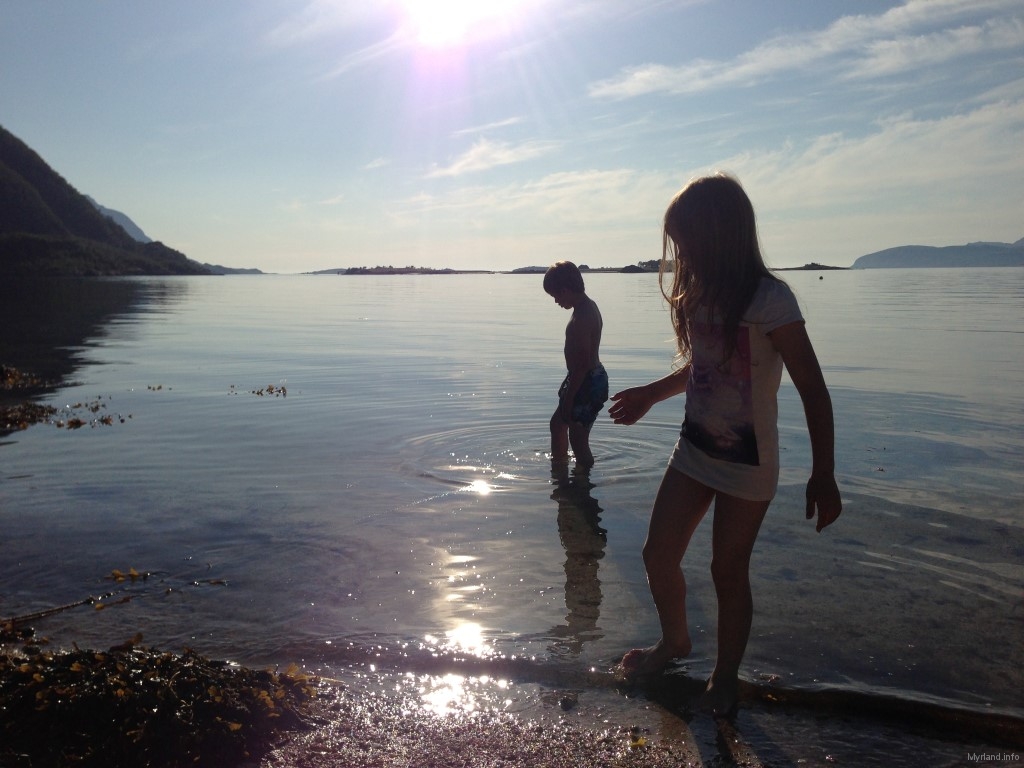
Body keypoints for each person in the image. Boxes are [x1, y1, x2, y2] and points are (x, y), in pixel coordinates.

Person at [608, 173, 841, 716]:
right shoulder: (698, 294)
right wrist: (651, 394)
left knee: (727, 571)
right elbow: (704, 366)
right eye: (676, 243)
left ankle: (725, 675)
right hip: (694, 451)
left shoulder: (770, 300)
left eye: (686, 240)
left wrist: (823, 473)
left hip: (747, 464)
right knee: (657, 554)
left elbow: (813, 388)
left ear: (719, 235)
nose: (681, 253)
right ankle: (675, 642)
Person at [544, 261, 608, 469]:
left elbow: (582, 363)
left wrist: (570, 397)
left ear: (565, 290)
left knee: (578, 438)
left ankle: (582, 482)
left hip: (587, 381)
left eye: (555, 296)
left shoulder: (582, 318)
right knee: (558, 424)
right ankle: (559, 471)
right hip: (585, 378)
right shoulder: (587, 307)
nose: (556, 301)